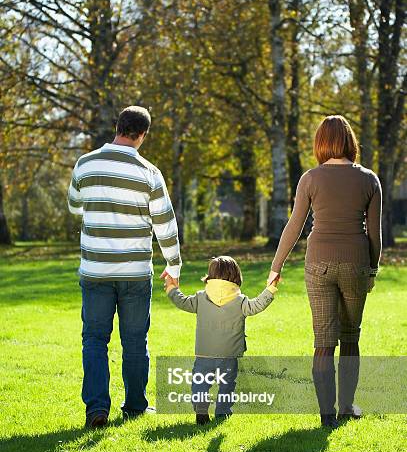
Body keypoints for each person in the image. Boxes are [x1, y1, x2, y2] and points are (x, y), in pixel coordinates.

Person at [67, 106, 182, 427]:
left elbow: (75, 206)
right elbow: (166, 225)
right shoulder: (149, 173)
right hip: (134, 272)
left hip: (95, 269)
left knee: (94, 339)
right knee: (134, 341)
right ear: (143, 135)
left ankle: (96, 409)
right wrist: (174, 264)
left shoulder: (85, 164)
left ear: (117, 126)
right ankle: (134, 405)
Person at [267, 115, 382, 429]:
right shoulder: (370, 179)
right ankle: (347, 407)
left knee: (323, 341)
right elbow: (375, 234)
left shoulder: (310, 178)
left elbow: (295, 226)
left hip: (318, 264)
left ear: (321, 143)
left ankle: (326, 415)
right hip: (357, 263)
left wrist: (275, 266)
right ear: (350, 143)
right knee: (350, 337)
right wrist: (371, 270)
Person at [165, 255, 278, 424]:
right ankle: (223, 412)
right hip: (229, 354)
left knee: (200, 382)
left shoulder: (200, 298)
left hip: (204, 353)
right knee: (227, 385)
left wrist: (171, 288)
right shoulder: (240, 301)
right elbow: (257, 305)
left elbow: (182, 302)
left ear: (210, 275)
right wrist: (270, 288)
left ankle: (201, 407)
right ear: (236, 276)